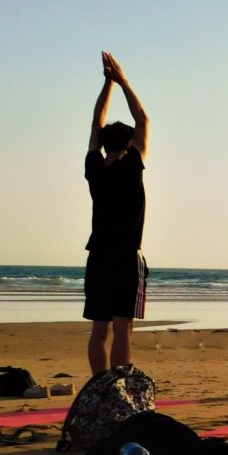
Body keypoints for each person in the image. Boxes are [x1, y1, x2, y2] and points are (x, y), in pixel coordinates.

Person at [83, 52, 150, 376]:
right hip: (125, 256)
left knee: (100, 329)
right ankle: (118, 389)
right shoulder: (133, 164)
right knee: (123, 329)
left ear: (104, 143)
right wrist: (122, 81)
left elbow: (96, 121)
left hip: (99, 254)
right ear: (129, 142)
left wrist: (107, 84)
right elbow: (144, 120)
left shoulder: (95, 167)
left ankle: (99, 388)